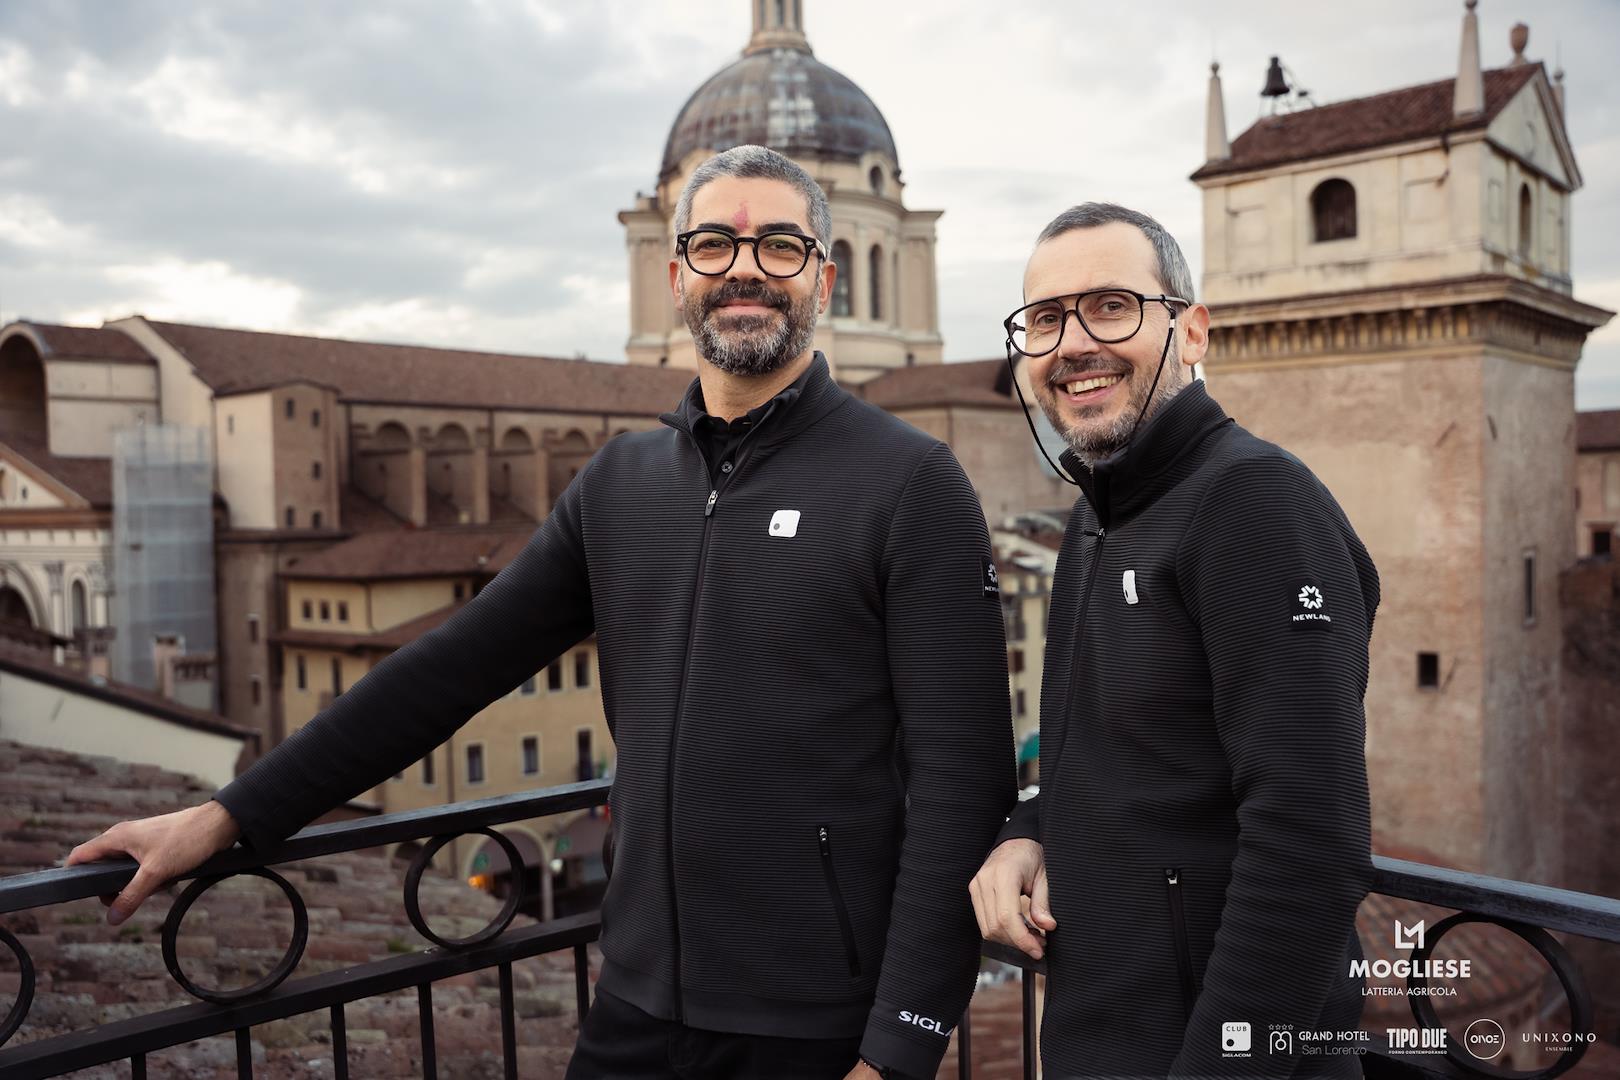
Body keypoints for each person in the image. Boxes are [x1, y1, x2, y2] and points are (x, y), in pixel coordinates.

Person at [68, 145, 1016, 1080]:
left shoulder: (910, 481)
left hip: (816, 1027)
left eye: (779, 245)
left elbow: (963, 783)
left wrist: (899, 1050)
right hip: (633, 1006)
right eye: (715, 245)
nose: (745, 269)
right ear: (677, 275)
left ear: (824, 278)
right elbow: (451, 668)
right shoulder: (619, 483)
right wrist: (230, 815)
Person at [969, 203, 1378, 1079]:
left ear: (1191, 332)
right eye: (1046, 319)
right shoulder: (1097, 516)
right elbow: (1112, 750)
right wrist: (1027, 829)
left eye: (1111, 306)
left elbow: (1310, 844)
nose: (1074, 343)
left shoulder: (1255, 503)